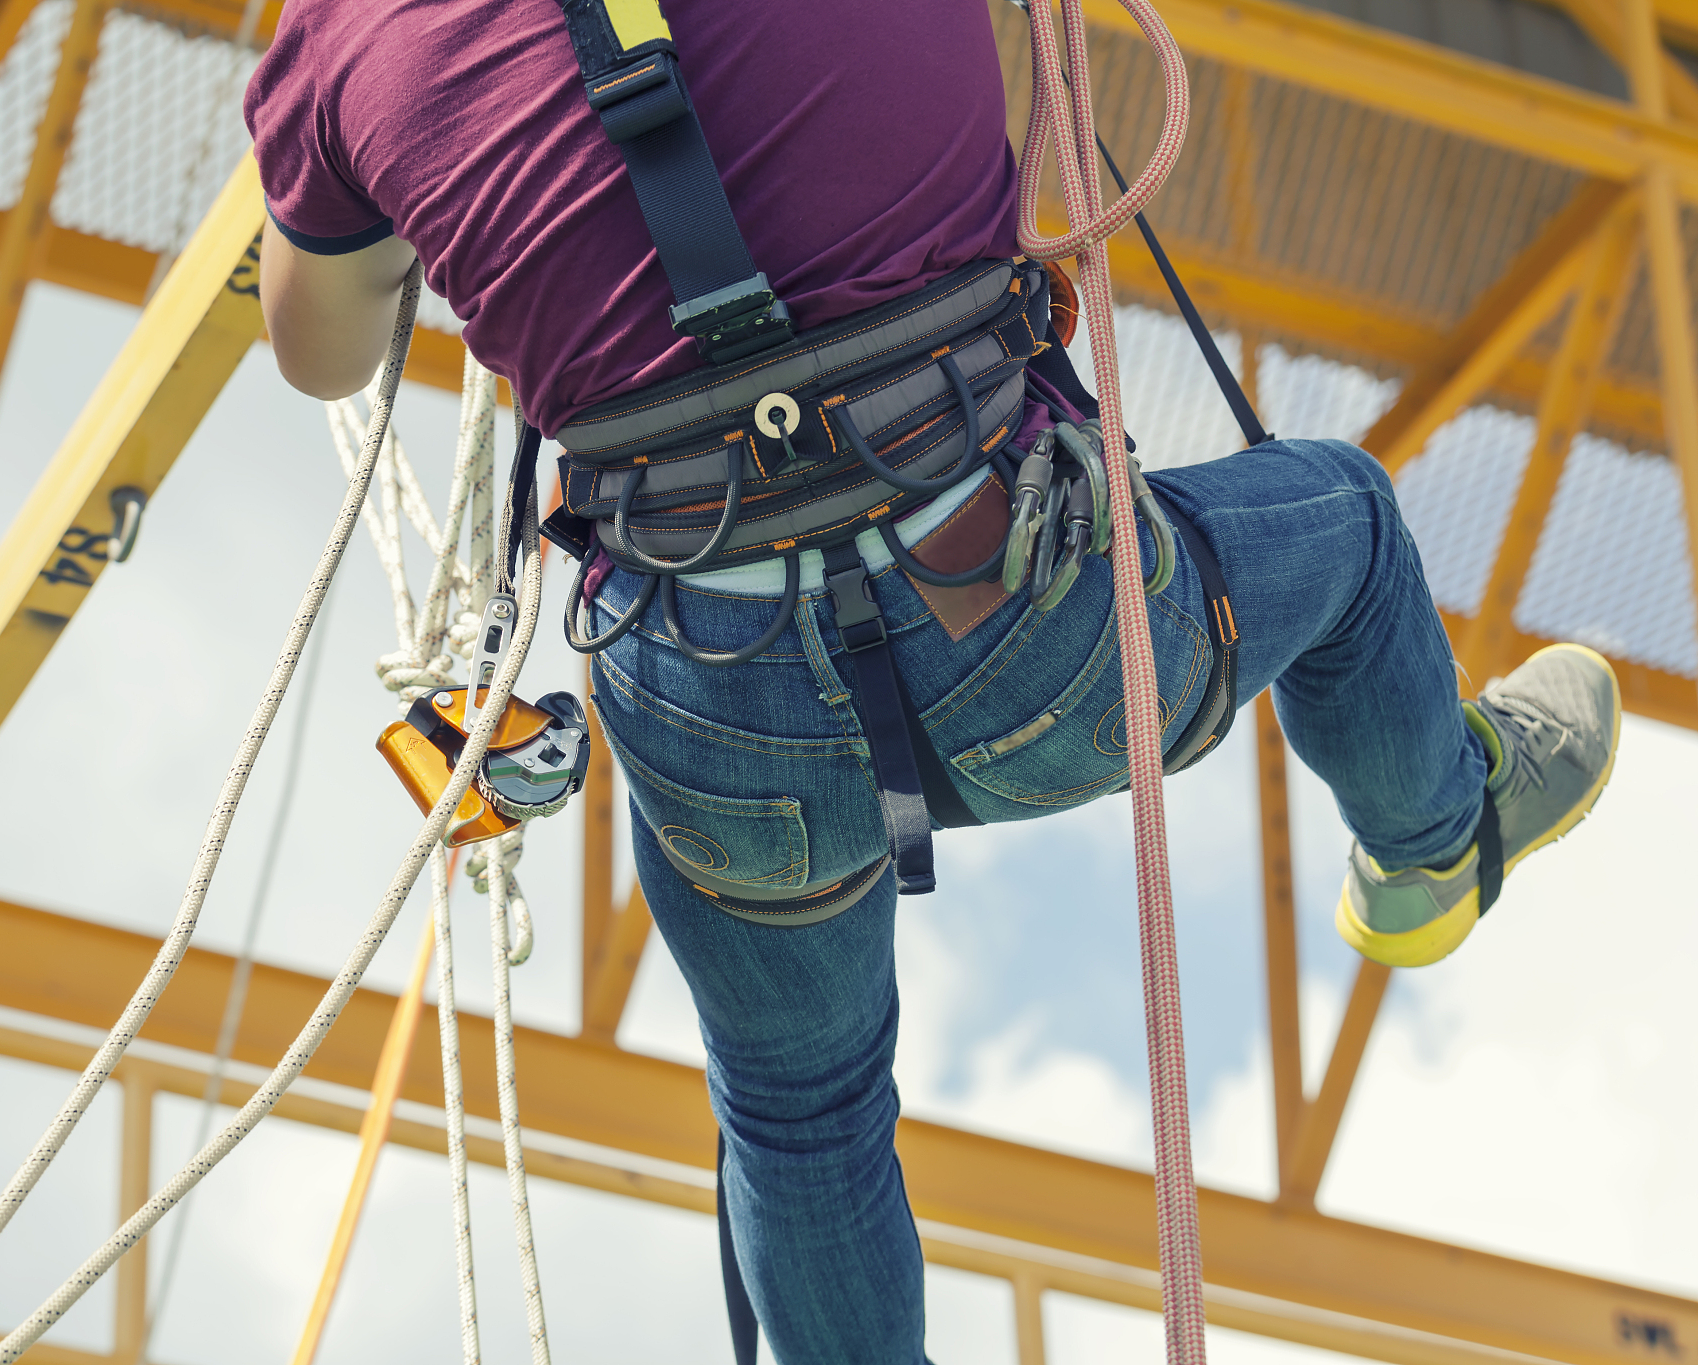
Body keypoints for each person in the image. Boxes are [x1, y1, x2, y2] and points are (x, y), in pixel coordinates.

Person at [245, 2, 1622, 1359]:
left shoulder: (344, 37)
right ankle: (1436, 845)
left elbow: (324, 356)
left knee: (800, 1115)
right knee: (1348, 522)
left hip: (714, 691)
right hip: (1025, 596)